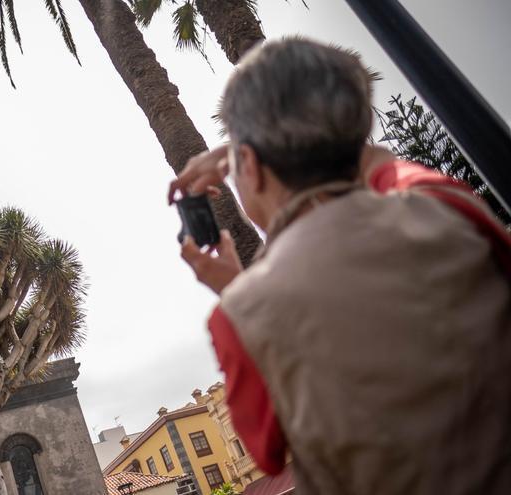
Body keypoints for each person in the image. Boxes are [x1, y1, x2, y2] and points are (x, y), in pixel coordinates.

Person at [169, 37, 511, 494]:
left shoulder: (242, 313)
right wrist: (238, 151)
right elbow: (382, 168)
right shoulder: (446, 207)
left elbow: (266, 452)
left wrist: (238, 293)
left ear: (248, 166)